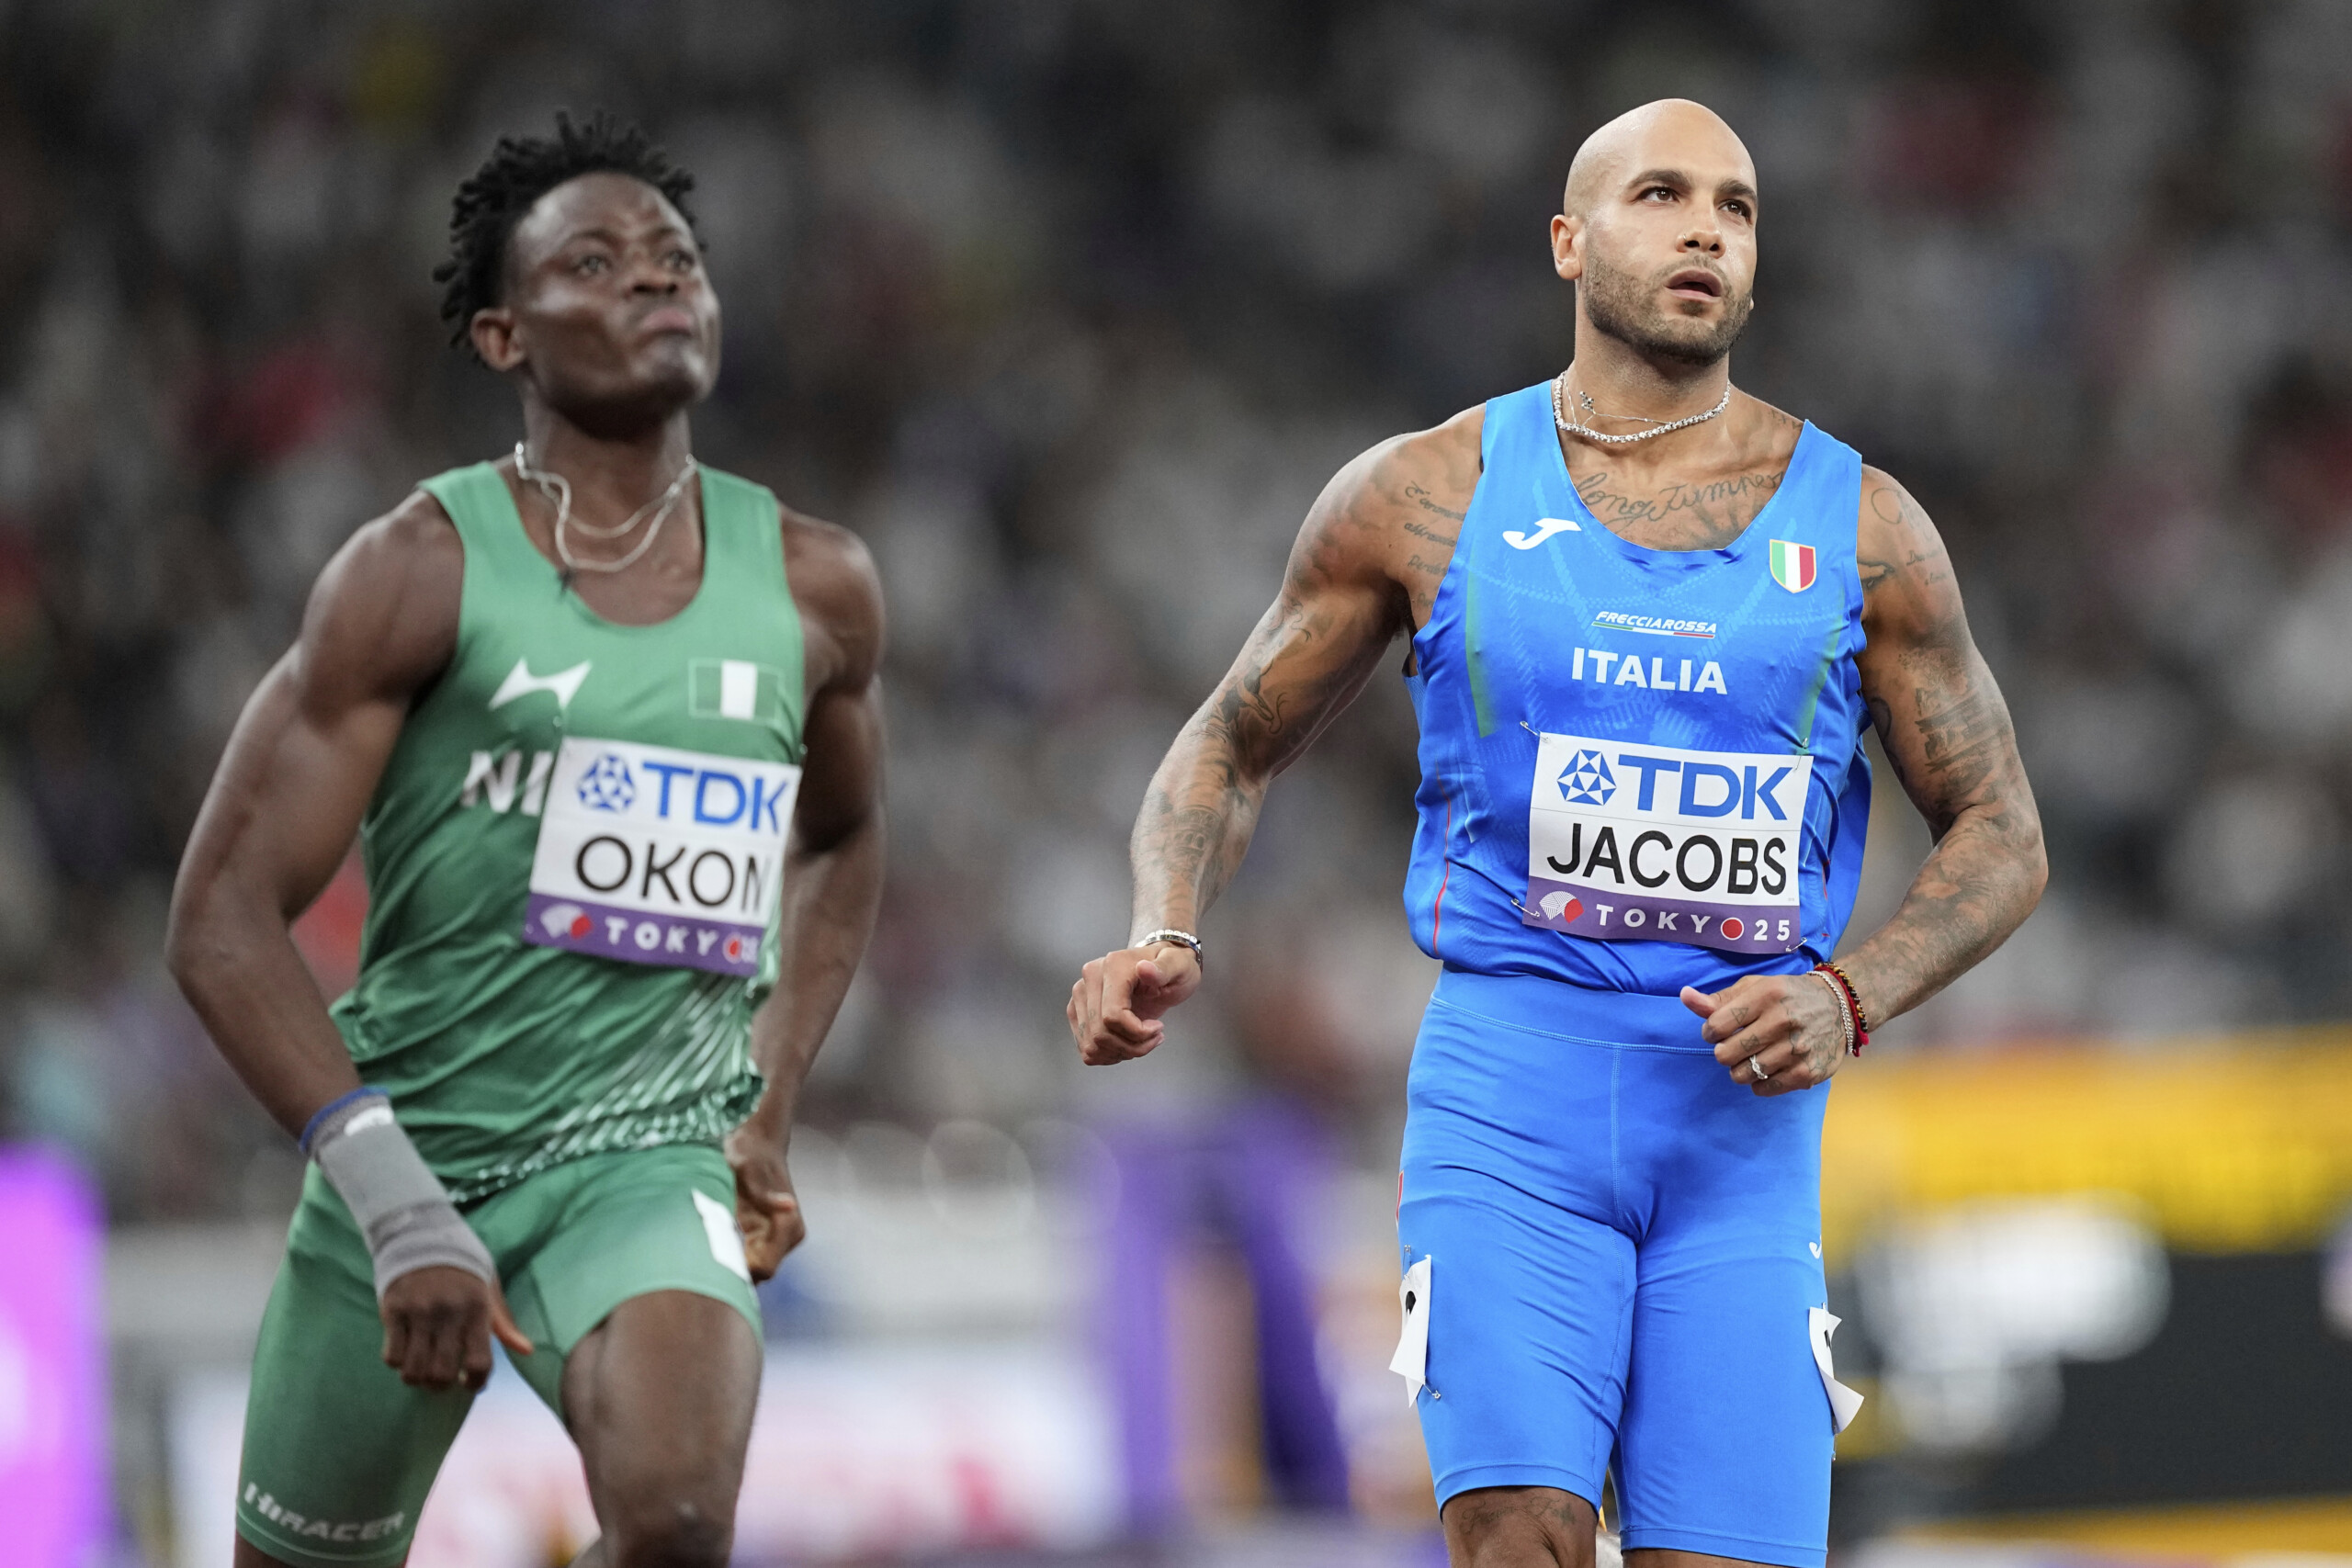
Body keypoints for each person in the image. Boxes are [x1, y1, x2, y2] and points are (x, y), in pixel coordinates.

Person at [1067, 98, 2045, 1568]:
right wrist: (1163, 926)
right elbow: (1227, 741)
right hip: (1509, 1100)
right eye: (1662, 193)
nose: (1708, 224)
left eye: (1739, 204)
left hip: (1740, 1130)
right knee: (1520, 1535)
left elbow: (2003, 834)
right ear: (1569, 242)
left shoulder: (1867, 529)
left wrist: (1854, 994)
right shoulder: (1427, 494)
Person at [167, 113, 885, 1568]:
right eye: (598, 262)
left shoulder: (816, 584)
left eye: (678, 259)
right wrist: (390, 1198)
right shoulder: (414, 570)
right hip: (411, 1155)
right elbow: (222, 915)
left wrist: (768, 1098)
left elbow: (846, 834)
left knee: (678, 1523)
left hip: (648, 1159)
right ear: (504, 336)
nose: (655, 282)